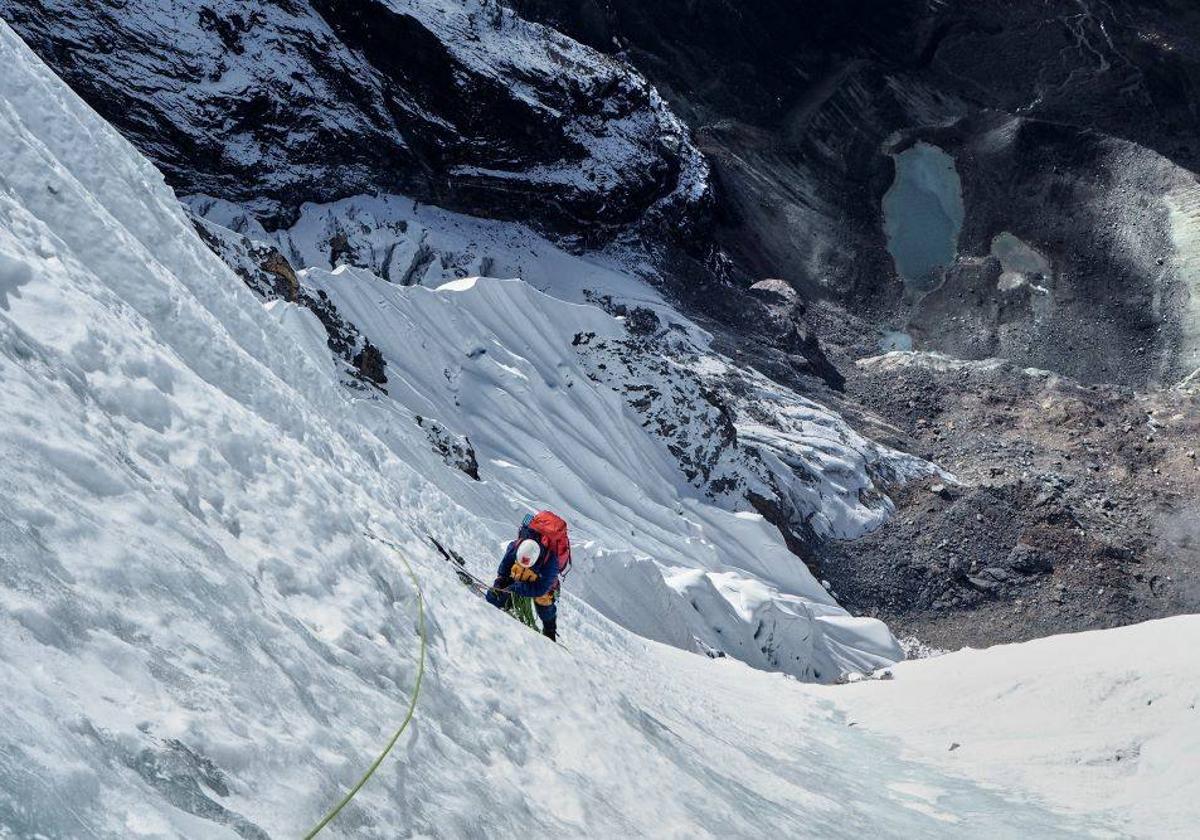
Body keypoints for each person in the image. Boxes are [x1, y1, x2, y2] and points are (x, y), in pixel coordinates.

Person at [485, 512, 570, 641]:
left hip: (540, 579)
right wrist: (501, 580)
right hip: (525, 570)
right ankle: (505, 601)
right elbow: (506, 563)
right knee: (516, 572)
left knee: (544, 599)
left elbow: (541, 588)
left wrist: (516, 587)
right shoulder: (517, 546)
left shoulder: (551, 562)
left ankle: (549, 629)